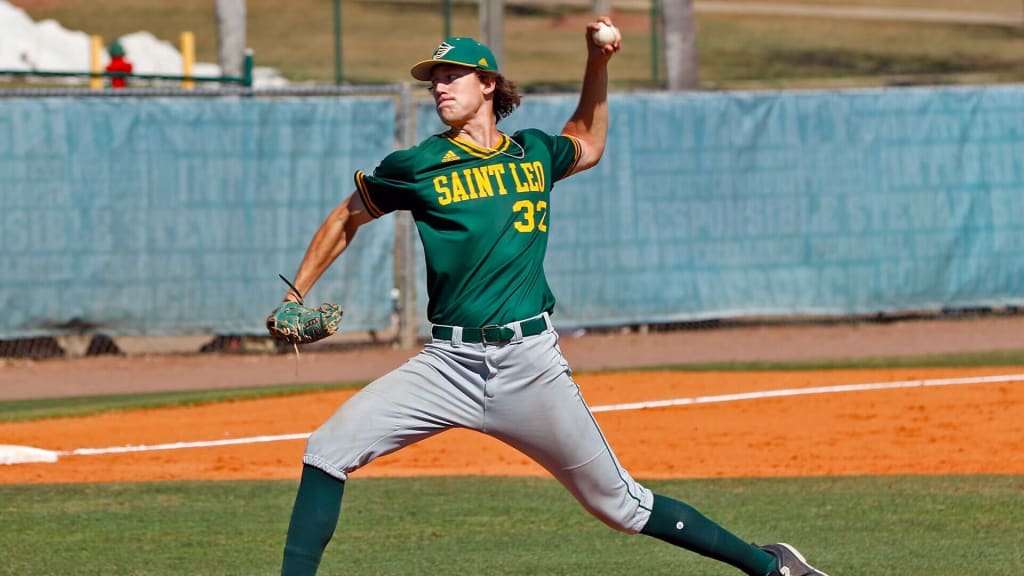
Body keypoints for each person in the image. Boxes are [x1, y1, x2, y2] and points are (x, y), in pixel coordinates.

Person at [269, 18, 829, 576]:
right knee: (326, 450)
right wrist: (296, 293)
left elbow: (587, 142)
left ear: (488, 83)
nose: (439, 86)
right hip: (446, 365)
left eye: (452, 74)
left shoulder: (532, 154)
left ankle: (771, 568)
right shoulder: (416, 166)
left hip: (528, 364)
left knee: (620, 505)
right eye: (434, 78)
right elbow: (348, 215)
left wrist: (597, 64)